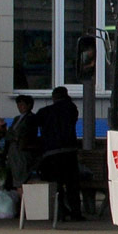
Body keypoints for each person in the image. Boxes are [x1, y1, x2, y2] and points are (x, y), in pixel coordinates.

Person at [36, 87, 83, 222]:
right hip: (69, 151)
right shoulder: (71, 108)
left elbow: (35, 122)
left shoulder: (45, 112)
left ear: (54, 97)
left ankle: (60, 213)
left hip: (52, 153)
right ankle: (76, 213)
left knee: (57, 185)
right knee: (72, 185)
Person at [6, 95, 41, 194]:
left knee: (20, 177)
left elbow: (25, 134)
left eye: (22, 105)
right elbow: (9, 134)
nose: (20, 107)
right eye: (19, 105)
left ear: (29, 105)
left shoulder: (31, 118)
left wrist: (16, 137)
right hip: (13, 152)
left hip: (22, 152)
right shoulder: (17, 118)